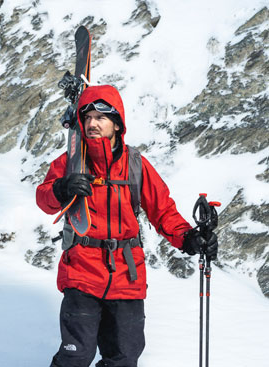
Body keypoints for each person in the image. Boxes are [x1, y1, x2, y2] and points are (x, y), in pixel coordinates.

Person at [36, 85, 218, 367]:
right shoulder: (71, 163)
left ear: (117, 123)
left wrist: (187, 238)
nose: (92, 124)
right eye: (87, 118)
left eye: (101, 117)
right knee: (76, 355)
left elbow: (163, 209)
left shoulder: (135, 164)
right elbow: (44, 199)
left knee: (124, 358)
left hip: (127, 276)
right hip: (82, 271)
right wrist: (61, 188)